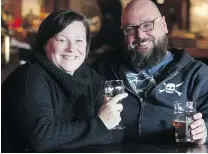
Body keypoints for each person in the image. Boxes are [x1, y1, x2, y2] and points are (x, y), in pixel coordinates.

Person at [92, 0, 208, 144]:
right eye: (130, 28)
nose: (140, 35)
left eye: (147, 25)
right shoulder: (103, 67)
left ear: (164, 25)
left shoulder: (194, 73)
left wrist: (206, 130)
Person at [2, 10, 127, 152]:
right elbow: (41, 139)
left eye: (79, 41)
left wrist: (73, 134)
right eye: (62, 40)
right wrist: (99, 126)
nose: (71, 48)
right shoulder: (30, 76)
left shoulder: (89, 76)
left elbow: (117, 131)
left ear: (86, 46)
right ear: (44, 43)